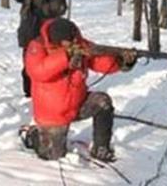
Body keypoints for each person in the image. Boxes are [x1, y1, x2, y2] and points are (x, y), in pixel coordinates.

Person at [20, 18, 137, 162]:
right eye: (67, 43)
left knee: (102, 102)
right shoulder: (36, 47)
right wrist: (65, 56)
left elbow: (100, 62)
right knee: (53, 155)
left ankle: (101, 149)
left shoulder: (79, 43)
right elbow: (39, 72)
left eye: (73, 40)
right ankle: (32, 135)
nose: (73, 43)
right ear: (56, 41)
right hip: (53, 114)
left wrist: (122, 61)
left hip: (77, 104)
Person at [10, 0, 67, 97]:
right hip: (29, 36)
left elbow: (59, 9)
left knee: (50, 67)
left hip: (49, 37)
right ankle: (29, 94)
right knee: (29, 67)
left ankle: (48, 93)